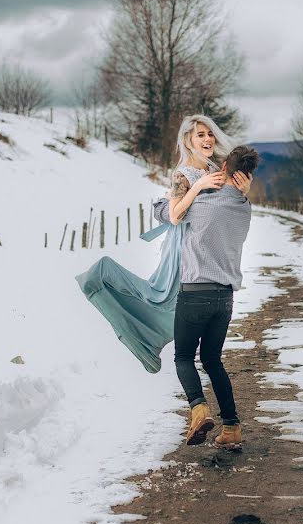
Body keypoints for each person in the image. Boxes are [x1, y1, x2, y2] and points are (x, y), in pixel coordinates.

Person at [74, 115, 250, 373]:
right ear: (188, 141)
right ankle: (103, 277)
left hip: (207, 247)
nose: (208, 139)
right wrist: (197, 186)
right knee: (163, 300)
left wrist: (243, 192)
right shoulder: (182, 174)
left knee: (176, 311)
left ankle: (152, 347)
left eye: (210, 134)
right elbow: (176, 215)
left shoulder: (214, 168)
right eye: (200, 135)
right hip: (184, 247)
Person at [153, 145, 258, 451]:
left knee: (184, 356)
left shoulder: (203, 204)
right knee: (212, 359)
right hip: (224, 299)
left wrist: (192, 186)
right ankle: (232, 428)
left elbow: (167, 213)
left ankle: (198, 409)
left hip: (195, 292)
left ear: (224, 167)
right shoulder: (244, 206)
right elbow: (240, 197)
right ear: (246, 176)